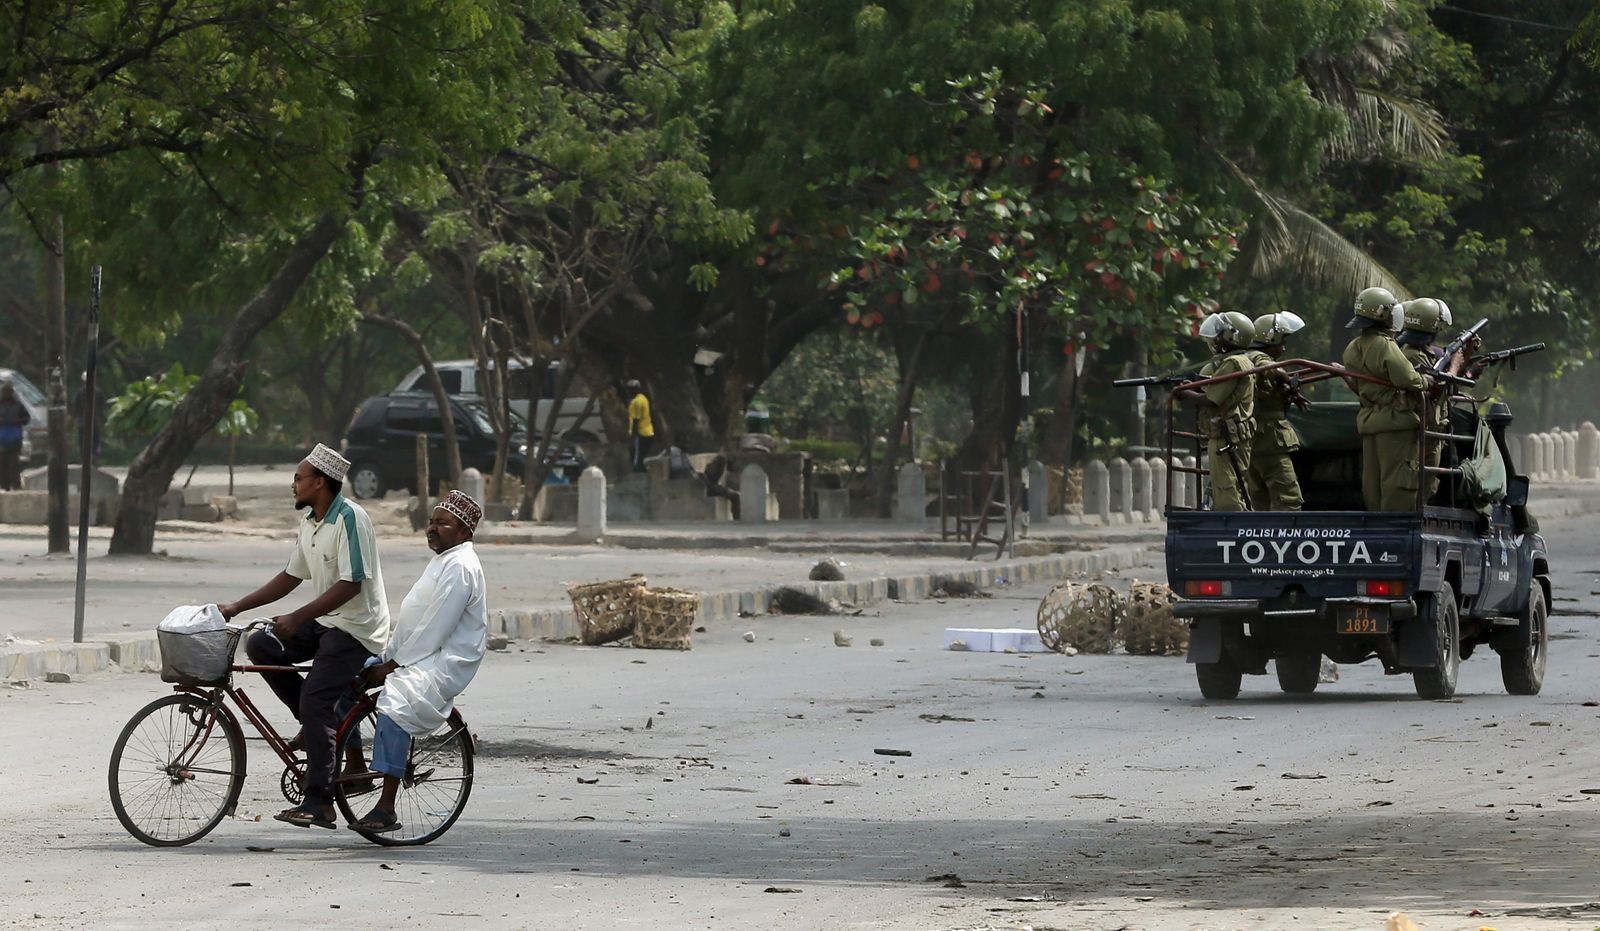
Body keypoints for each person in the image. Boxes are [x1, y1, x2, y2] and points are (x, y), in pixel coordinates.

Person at [218, 443, 391, 829]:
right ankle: (327, 732)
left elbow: (351, 585)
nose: (293, 484)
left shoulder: (350, 518)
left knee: (316, 698)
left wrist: (297, 616)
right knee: (262, 643)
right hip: (327, 621)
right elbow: (290, 576)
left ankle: (320, 802)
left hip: (357, 628)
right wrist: (237, 607)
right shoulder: (311, 521)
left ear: (320, 482)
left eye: (298, 478)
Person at [351, 490, 487, 834]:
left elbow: (434, 629)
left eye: (443, 523)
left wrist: (392, 666)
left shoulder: (461, 567)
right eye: (431, 521)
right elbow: (416, 620)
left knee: (396, 701)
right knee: (351, 670)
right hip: (420, 653)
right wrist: (385, 657)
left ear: (464, 532)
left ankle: (386, 808)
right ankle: (345, 764)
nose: (433, 528)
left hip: (444, 661)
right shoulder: (444, 559)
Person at [1341, 287, 1429, 511]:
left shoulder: (1353, 347)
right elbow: (1409, 380)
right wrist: (1429, 381)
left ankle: (1376, 525)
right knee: (1398, 481)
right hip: (1395, 421)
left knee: (1374, 483)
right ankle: (1395, 529)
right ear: (1382, 315)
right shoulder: (1385, 345)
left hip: (1370, 420)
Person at [1243, 312, 1308, 511]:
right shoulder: (1258, 357)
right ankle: (1287, 539)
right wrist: (1285, 377)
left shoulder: (1244, 357)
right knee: (1289, 498)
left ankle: (1265, 538)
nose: (1283, 347)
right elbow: (1268, 368)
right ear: (1269, 339)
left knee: (1260, 499)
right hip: (1270, 439)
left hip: (1255, 436)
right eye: (1281, 342)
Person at [1196, 312, 1258, 511]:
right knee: (1235, 485)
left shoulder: (1233, 363)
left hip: (1225, 435)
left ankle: (1233, 531)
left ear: (1233, 336)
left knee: (1226, 490)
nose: (1216, 339)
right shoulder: (1242, 360)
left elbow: (1211, 399)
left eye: (1220, 334)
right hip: (1233, 433)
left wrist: (1183, 392)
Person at [1395, 298, 1455, 502]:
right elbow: (1436, 388)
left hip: (1431, 428)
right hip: (1421, 429)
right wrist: (1456, 366)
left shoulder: (1424, 353)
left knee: (1427, 485)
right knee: (1419, 487)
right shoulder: (1413, 354)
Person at [0, 379, 29, 491]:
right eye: (5, 390)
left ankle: (15, 486)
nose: (7, 393)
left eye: (9, 390)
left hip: (15, 438)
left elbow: (27, 418)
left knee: (13, 463)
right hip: (1, 439)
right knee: (2, 464)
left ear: (12, 392)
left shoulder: (18, 405)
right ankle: (4, 486)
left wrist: (18, 420)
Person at [626, 379, 655, 472]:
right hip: (648, 432)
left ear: (636, 389)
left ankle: (639, 479)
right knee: (640, 459)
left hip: (641, 434)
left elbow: (636, 420)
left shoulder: (636, 402)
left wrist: (633, 437)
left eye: (631, 389)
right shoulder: (643, 398)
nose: (629, 391)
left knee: (637, 462)